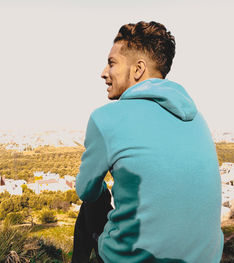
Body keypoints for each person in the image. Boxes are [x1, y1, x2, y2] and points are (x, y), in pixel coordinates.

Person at [73, 21, 224, 263]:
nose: (103, 72)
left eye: (112, 63)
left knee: (92, 202)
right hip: (207, 258)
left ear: (138, 69)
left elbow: (85, 191)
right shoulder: (197, 117)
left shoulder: (105, 118)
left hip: (135, 259)